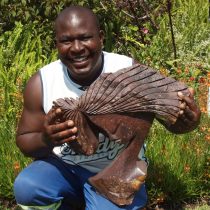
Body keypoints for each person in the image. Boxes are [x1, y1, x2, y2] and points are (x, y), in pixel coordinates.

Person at [14, 5, 201, 210]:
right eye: (67, 40)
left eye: (85, 37)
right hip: (65, 167)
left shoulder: (127, 69)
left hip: (119, 169)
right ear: (56, 43)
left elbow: (169, 116)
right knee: (27, 187)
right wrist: (46, 139)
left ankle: (98, 199)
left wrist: (187, 121)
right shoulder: (42, 82)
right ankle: (75, 201)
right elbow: (25, 140)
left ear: (101, 37)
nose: (77, 48)